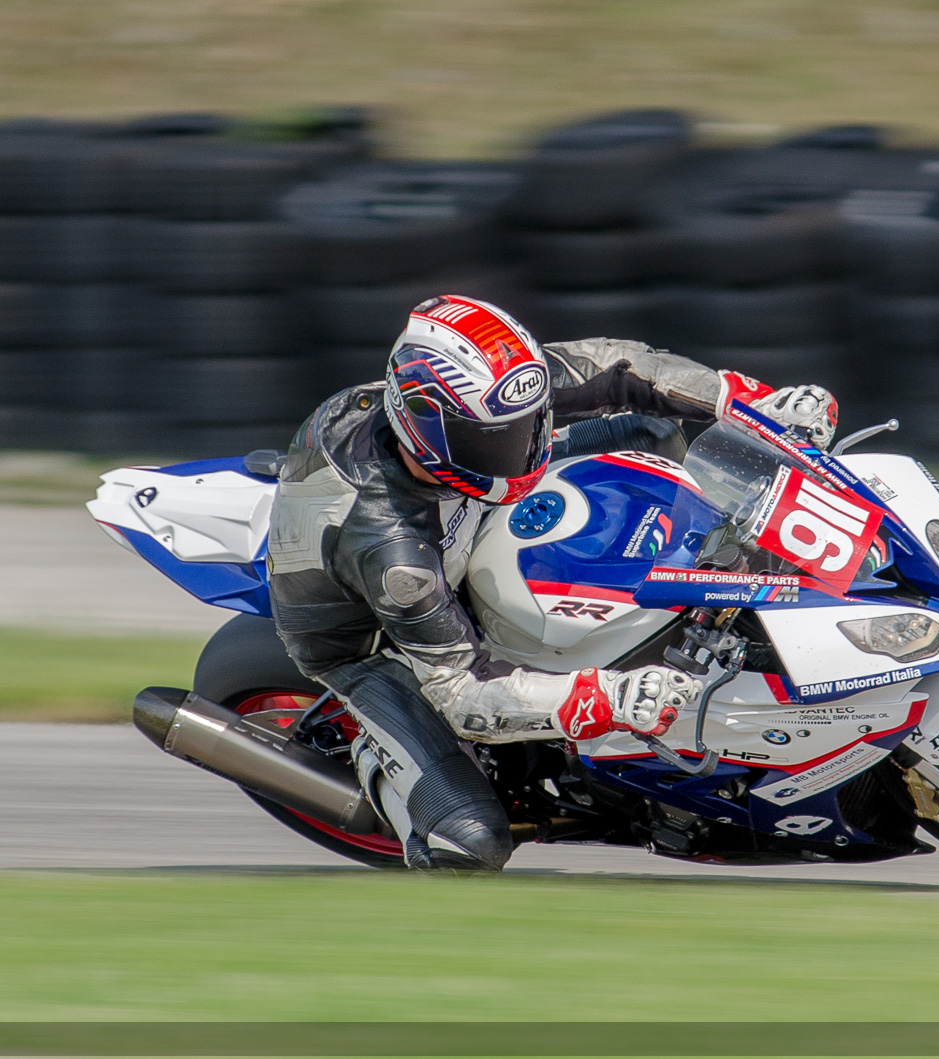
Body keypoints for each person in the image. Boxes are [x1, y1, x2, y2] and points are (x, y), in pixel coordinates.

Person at [265, 294, 838, 871]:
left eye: (528, 425)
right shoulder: (394, 554)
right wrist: (607, 697)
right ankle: (375, 757)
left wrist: (756, 405)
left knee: (650, 430)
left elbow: (620, 369)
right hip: (375, 646)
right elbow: (462, 691)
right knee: (469, 845)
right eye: (494, 441)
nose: (520, 450)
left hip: (470, 516)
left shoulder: (486, 400)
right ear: (426, 430)